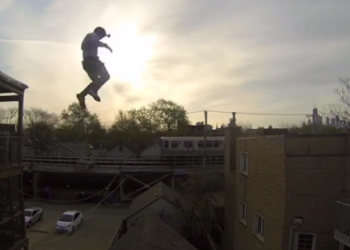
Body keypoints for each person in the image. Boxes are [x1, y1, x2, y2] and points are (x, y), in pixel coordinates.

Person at [76, 26, 113, 109]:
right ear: (99, 33)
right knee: (106, 76)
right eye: (102, 36)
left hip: (86, 63)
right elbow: (93, 42)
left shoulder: (89, 37)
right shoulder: (92, 35)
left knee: (96, 81)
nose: (101, 38)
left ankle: (82, 95)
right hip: (92, 61)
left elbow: (84, 46)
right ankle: (93, 91)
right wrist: (106, 46)